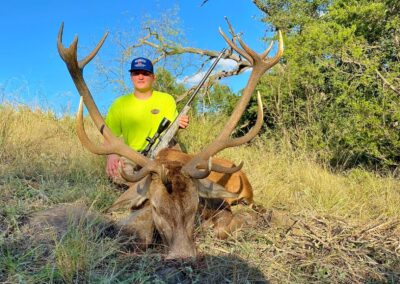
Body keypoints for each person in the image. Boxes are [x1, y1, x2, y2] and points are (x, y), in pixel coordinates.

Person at [105, 57, 189, 181]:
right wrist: (111, 155)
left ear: (153, 77)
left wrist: (180, 124)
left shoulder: (167, 100)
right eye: (136, 73)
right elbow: (108, 136)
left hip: (166, 152)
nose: (140, 77)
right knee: (117, 173)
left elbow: (172, 130)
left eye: (145, 73)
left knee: (184, 175)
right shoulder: (119, 104)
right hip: (134, 155)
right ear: (131, 77)